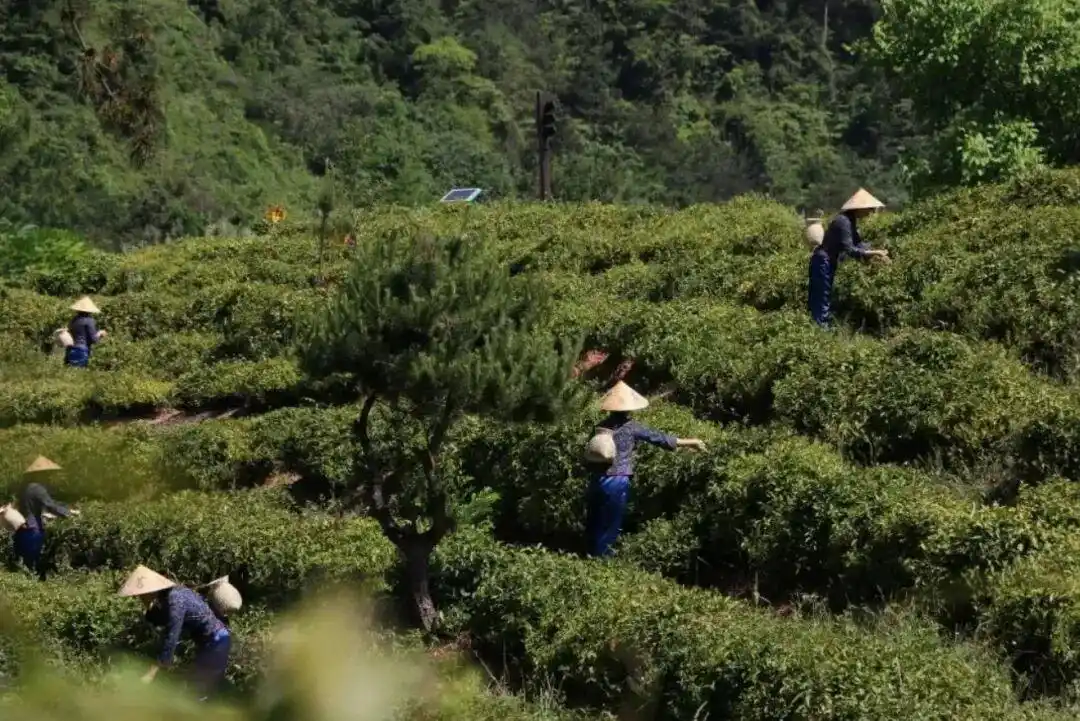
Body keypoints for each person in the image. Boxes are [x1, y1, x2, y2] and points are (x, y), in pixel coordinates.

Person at [584, 381, 705, 557]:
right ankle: (602, 560)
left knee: (595, 518)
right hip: (617, 479)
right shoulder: (632, 427)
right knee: (611, 521)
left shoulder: (600, 427)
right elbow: (660, 438)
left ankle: (589, 555)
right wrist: (692, 442)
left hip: (597, 478)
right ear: (629, 409)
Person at [119, 565, 233, 701]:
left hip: (217, 641)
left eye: (141, 595)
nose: (140, 598)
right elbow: (160, 621)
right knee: (197, 687)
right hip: (209, 641)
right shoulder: (169, 596)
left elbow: (172, 636)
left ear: (150, 591)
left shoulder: (175, 600)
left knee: (200, 693)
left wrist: (152, 673)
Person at [807, 188, 890, 327]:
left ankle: (819, 329)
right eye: (869, 209)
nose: (871, 212)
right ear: (859, 209)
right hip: (822, 261)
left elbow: (859, 244)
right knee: (821, 299)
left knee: (824, 297)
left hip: (828, 261)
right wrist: (875, 253)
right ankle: (819, 332)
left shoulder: (849, 222)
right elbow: (850, 250)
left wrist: (878, 247)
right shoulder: (843, 222)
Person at [13, 456, 77, 580]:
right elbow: (50, 505)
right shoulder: (37, 488)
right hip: (33, 527)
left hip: (22, 526)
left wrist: (65, 507)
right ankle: (31, 585)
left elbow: (50, 503)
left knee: (24, 559)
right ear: (39, 474)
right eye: (46, 474)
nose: (49, 477)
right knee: (32, 560)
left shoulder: (25, 487)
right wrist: (68, 514)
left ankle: (25, 583)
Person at [65, 296, 107, 368]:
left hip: (70, 350)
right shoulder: (89, 321)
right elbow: (94, 339)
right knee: (79, 375)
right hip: (81, 350)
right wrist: (100, 333)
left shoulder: (73, 320)